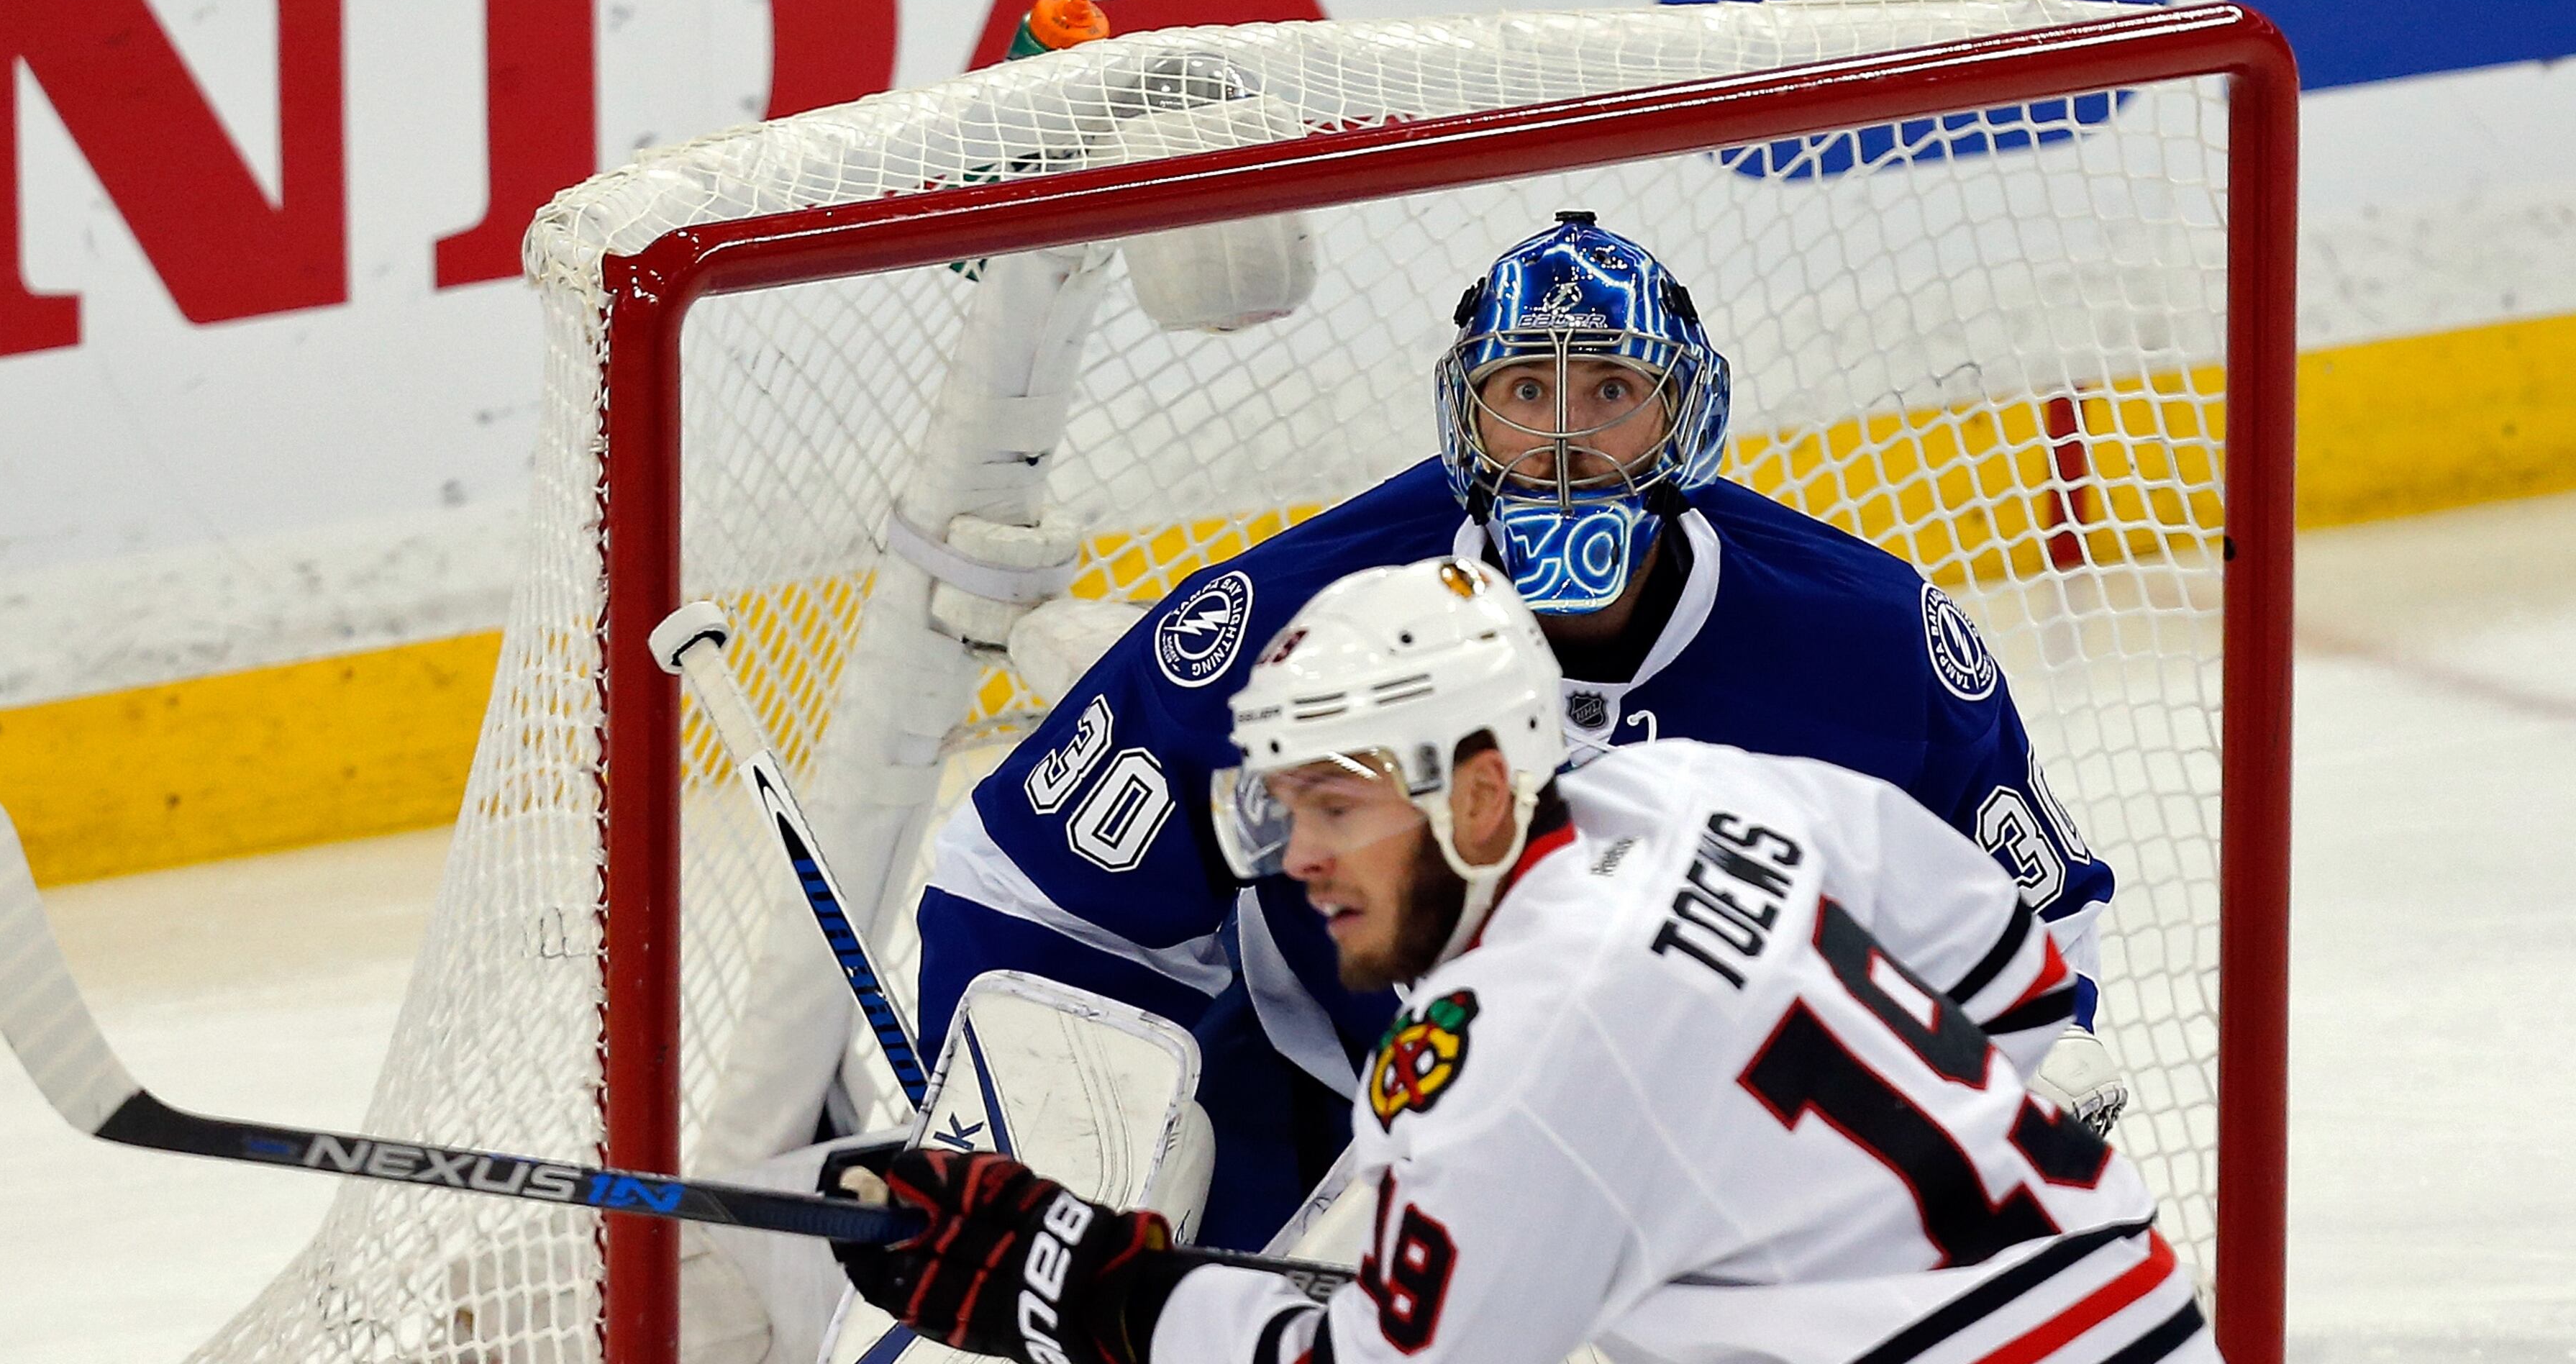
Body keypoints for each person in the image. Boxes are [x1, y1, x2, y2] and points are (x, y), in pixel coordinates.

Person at [915, 212, 2123, 1246]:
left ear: (1681, 417)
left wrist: (1982, 1085)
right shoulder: (1287, 620)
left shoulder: (1875, 645)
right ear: (1466, 417)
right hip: (1327, 1107)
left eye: (1610, 391)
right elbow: (1023, 896)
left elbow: (2037, 933)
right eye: (1524, 392)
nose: (1559, 441)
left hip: (1734, 1143)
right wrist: (1049, 1155)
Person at [842, 559, 2211, 1364]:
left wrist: (1075, 1280)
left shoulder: (1510, 1045)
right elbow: (2005, 964)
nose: (1300, 856)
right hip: (2143, 1317)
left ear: (1486, 792)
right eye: (1283, 804)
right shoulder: (1695, 793)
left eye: (1340, 806)